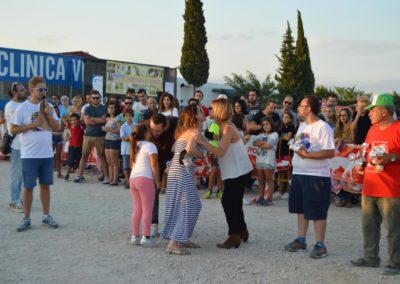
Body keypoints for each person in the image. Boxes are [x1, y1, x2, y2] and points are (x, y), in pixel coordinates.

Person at [350, 93, 400, 276]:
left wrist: (392, 157)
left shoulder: (398, 128)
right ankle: (371, 258)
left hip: (391, 189)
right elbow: (366, 152)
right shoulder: (372, 130)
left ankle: (396, 262)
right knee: (368, 225)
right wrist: (360, 165)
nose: (369, 113)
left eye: (373, 110)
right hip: (370, 186)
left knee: (393, 229)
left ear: (384, 111)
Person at [196, 98, 253, 249]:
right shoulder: (225, 126)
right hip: (237, 170)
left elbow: (220, 152)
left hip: (238, 171)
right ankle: (241, 231)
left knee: (228, 201)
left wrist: (202, 142)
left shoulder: (227, 128)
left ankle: (234, 235)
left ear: (219, 111)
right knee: (234, 202)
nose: (210, 111)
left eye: (213, 108)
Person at [285, 95, 335, 259]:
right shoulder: (302, 125)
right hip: (299, 173)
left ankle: (320, 244)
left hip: (316, 175)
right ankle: (301, 240)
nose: (298, 108)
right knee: (301, 208)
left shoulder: (323, 127)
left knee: (318, 210)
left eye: (300, 105)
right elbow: (301, 146)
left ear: (308, 109)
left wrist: (307, 155)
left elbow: (330, 152)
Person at [10, 76, 61, 232]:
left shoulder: (49, 106)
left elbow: (57, 127)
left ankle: (46, 216)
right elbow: (13, 129)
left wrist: (48, 114)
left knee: (45, 186)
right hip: (29, 155)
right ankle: (26, 218)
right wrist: (32, 125)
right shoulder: (22, 108)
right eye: (41, 89)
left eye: (45, 89)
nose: (44, 92)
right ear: (31, 89)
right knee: (28, 186)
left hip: (46, 154)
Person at [162, 105, 205, 255]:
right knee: (189, 206)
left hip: (176, 170)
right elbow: (191, 150)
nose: (203, 112)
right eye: (200, 111)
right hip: (182, 171)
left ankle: (181, 238)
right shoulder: (195, 130)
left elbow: (175, 149)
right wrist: (202, 155)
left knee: (190, 204)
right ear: (193, 116)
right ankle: (173, 243)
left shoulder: (183, 132)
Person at [129, 123, 161, 247]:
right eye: (149, 130)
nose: (151, 132)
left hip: (133, 178)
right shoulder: (150, 146)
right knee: (147, 208)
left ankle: (135, 236)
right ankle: (146, 236)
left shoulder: (134, 145)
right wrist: (158, 180)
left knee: (137, 208)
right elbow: (154, 165)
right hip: (145, 178)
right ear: (145, 133)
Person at [149, 114, 178, 237]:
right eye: (152, 129)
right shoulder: (148, 125)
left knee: (176, 192)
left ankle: (175, 226)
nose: (154, 133)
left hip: (175, 158)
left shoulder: (176, 123)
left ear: (165, 127)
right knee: (153, 190)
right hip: (157, 158)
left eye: (157, 131)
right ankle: (153, 224)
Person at [74, 90, 109, 183]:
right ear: (91, 98)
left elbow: (104, 120)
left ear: (100, 98)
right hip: (88, 136)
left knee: (102, 157)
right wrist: (98, 120)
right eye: (94, 97)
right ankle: (79, 176)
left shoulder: (104, 108)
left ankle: (106, 177)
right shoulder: (87, 108)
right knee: (84, 155)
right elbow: (87, 122)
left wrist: (93, 118)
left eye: (97, 97)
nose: (96, 99)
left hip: (100, 136)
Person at [4, 82, 26, 213]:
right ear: (14, 92)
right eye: (21, 90)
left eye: (24, 89)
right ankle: (14, 201)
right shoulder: (11, 106)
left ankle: (18, 198)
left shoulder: (24, 104)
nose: (25, 91)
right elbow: (16, 127)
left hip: (26, 144)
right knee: (16, 174)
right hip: (17, 144)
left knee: (22, 174)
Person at [253, 117, 279, 205]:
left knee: (269, 179)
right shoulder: (260, 134)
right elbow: (254, 143)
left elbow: (268, 145)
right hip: (260, 159)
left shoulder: (275, 134)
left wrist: (260, 144)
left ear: (271, 124)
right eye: (263, 125)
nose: (265, 126)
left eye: (267, 124)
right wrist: (263, 144)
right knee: (261, 179)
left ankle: (269, 199)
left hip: (269, 160)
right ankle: (261, 197)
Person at [275, 111, 295, 200]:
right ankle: (280, 190)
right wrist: (282, 137)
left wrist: (281, 137)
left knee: (288, 171)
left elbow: (287, 137)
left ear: (291, 118)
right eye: (284, 117)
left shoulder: (292, 127)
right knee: (281, 171)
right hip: (280, 152)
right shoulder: (280, 127)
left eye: (287, 117)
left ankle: (288, 191)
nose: (285, 118)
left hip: (288, 152)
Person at [102, 101, 122, 185]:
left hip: (114, 141)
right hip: (107, 140)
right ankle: (110, 178)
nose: (110, 109)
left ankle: (115, 179)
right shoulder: (107, 118)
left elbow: (120, 130)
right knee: (109, 161)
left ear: (115, 109)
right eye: (109, 108)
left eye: (112, 108)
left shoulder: (118, 118)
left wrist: (108, 129)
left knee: (114, 161)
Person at [64, 113, 85, 181]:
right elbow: (64, 119)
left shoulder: (82, 126)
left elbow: (85, 122)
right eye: (72, 120)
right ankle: (67, 174)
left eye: (75, 120)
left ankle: (80, 175)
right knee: (70, 162)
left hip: (79, 147)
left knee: (79, 162)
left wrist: (81, 120)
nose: (74, 121)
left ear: (78, 120)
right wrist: (70, 117)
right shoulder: (70, 126)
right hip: (71, 147)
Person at [120, 108, 136, 189]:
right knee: (126, 166)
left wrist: (129, 138)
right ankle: (127, 180)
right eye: (127, 116)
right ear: (124, 117)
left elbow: (137, 137)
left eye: (130, 116)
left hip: (134, 149)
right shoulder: (123, 126)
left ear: (132, 116)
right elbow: (123, 138)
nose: (128, 117)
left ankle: (132, 181)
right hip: (125, 149)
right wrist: (131, 137)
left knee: (133, 166)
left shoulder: (136, 125)